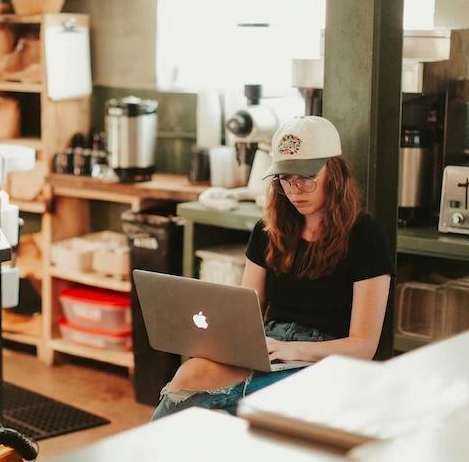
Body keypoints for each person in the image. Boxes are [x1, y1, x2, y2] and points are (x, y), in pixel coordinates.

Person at [152, 116, 392, 419]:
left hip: (324, 356)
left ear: (335, 172)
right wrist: (225, 341)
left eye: (306, 177)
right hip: (269, 345)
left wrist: (293, 350)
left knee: (211, 399)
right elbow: (244, 314)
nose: (294, 190)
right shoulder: (268, 231)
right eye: (285, 179)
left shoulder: (365, 235)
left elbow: (364, 346)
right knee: (191, 372)